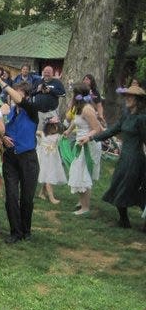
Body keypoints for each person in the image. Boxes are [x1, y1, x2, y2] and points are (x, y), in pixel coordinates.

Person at [90, 81, 146, 228]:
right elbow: (112, 130)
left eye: (131, 97)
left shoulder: (142, 118)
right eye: (126, 96)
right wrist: (91, 138)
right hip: (124, 158)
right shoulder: (126, 115)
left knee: (132, 189)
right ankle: (124, 221)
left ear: (138, 101)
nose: (127, 98)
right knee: (117, 185)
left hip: (135, 159)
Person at [0, 75, 40, 244]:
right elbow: (0, 129)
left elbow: (21, 101)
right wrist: (4, 136)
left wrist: (2, 83)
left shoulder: (32, 110)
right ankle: (15, 232)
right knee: (11, 196)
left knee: (27, 197)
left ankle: (26, 230)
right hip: (10, 158)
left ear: (26, 96)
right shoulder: (9, 113)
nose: (13, 98)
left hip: (28, 159)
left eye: (17, 94)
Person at [62, 83, 103, 216]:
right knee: (77, 172)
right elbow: (75, 121)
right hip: (80, 144)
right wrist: (68, 131)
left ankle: (85, 207)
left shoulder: (87, 109)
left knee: (83, 173)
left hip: (88, 145)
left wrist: (87, 137)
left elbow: (97, 129)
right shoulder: (79, 108)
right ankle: (82, 202)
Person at [36, 117, 66, 204]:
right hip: (44, 160)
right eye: (54, 126)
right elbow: (33, 131)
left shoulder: (57, 136)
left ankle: (41, 193)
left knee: (47, 176)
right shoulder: (42, 134)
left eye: (57, 126)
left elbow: (65, 133)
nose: (56, 128)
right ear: (48, 127)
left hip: (52, 160)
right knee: (48, 178)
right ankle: (52, 198)